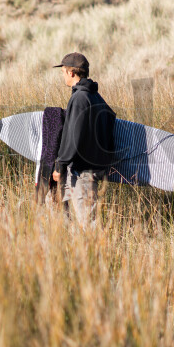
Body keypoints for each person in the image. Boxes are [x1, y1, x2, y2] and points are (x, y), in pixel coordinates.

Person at [51, 52, 116, 228]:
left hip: (84, 171)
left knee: (89, 223)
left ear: (71, 73)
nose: (63, 75)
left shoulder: (79, 98)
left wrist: (60, 165)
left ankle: (96, 254)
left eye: (63, 71)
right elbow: (111, 118)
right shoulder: (95, 96)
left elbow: (73, 135)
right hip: (94, 168)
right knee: (85, 219)